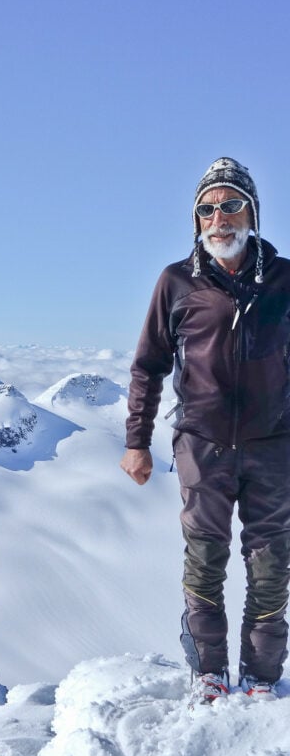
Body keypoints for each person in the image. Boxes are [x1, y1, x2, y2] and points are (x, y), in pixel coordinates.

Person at [120, 157, 290, 705]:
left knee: (269, 565)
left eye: (231, 204)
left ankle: (262, 677)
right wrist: (136, 442)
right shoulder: (176, 282)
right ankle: (209, 672)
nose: (220, 218)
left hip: (275, 448)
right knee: (205, 560)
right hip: (202, 447)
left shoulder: (286, 282)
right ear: (196, 221)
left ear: (253, 213)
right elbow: (149, 365)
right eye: (207, 209)